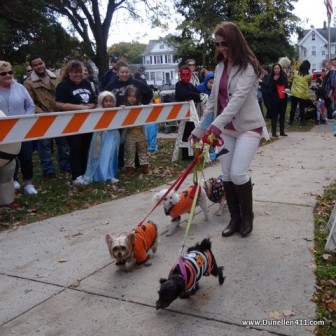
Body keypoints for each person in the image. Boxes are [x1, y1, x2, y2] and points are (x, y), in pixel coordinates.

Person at [191, 21, 267, 238]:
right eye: (218, 44)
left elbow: (237, 101)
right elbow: (214, 103)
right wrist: (199, 130)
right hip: (225, 129)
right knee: (226, 174)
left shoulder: (249, 66)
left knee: (238, 173)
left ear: (235, 41)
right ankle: (234, 218)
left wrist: (215, 126)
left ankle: (247, 216)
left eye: (225, 43)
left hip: (248, 127)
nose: (222, 48)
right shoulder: (219, 67)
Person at [24, 55, 70, 178]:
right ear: (32, 67)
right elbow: (30, 103)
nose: (39, 66)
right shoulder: (28, 83)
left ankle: (65, 166)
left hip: (59, 114)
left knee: (63, 143)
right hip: (42, 116)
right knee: (44, 145)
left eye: (40, 63)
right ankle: (48, 170)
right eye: (36, 65)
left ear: (44, 63)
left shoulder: (57, 78)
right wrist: (41, 113)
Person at [55, 60, 97, 186]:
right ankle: (76, 176)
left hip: (88, 122)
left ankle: (85, 172)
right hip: (71, 122)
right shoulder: (63, 85)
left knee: (85, 147)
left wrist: (93, 104)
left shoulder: (87, 83)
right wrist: (80, 107)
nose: (78, 75)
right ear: (69, 73)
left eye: (80, 72)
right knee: (75, 148)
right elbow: (59, 104)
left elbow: (93, 97)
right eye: (75, 72)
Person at [105, 60, 153, 168]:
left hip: (134, 117)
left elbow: (149, 92)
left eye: (126, 72)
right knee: (120, 140)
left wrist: (141, 104)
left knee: (135, 139)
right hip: (117, 117)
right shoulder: (112, 85)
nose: (125, 74)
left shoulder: (136, 83)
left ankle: (137, 163)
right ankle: (120, 163)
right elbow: (104, 96)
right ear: (118, 73)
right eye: (122, 72)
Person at [0, 61, 37, 195]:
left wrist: (26, 119)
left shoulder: (20, 87)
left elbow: (30, 105)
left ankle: (28, 183)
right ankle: (12, 180)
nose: (8, 75)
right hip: (2, 131)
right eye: (3, 73)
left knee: (26, 156)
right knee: (8, 158)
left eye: (10, 72)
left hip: (22, 128)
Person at [84, 91, 120, 183]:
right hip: (101, 136)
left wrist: (122, 108)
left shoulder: (116, 111)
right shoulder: (97, 111)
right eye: (106, 101)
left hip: (111, 136)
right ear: (102, 102)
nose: (108, 103)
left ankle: (109, 175)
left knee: (110, 156)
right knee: (99, 156)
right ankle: (98, 176)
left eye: (111, 101)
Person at [175, 66, 202, 160]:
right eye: (183, 74)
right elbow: (185, 95)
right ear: (180, 75)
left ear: (190, 75)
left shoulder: (190, 85)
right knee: (184, 134)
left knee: (191, 133)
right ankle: (185, 156)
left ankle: (191, 155)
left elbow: (198, 95)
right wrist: (194, 95)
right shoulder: (178, 85)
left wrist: (194, 96)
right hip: (183, 115)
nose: (185, 77)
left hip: (191, 114)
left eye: (187, 74)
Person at [122, 85, 149, 177]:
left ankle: (145, 166)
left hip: (140, 133)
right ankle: (130, 168)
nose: (132, 99)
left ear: (137, 98)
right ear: (126, 97)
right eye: (130, 96)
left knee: (142, 150)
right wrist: (122, 108)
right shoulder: (124, 108)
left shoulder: (141, 107)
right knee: (130, 151)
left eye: (134, 97)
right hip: (129, 134)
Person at [288, 60, 311, 125]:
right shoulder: (309, 76)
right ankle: (302, 121)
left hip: (294, 94)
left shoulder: (295, 73)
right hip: (303, 94)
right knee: (302, 109)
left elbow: (289, 80)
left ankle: (291, 121)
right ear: (308, 68)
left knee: (293, 108)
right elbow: (309, 84)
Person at [269, 63, 288, 137]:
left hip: (283, 98)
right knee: (274, 115)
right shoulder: (271, 77)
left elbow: (286, 86)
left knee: (282, 115)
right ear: (273, 70)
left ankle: (282, 131)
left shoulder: (284, 76)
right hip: (275, 99)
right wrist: (274, 81)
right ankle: (274, 132)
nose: (277, 70)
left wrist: (288, 93)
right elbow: (270, 88)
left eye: (278, 68)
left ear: (280, 69)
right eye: (275, 68)